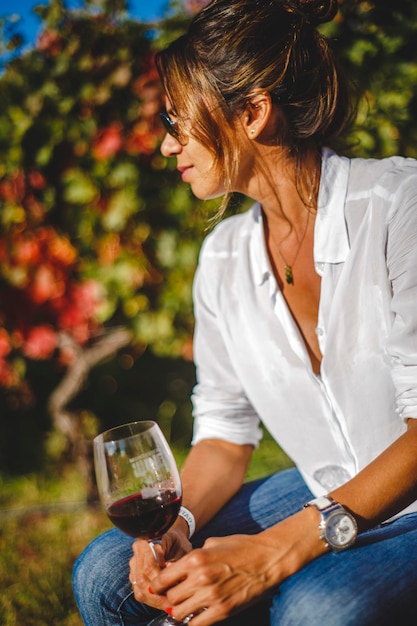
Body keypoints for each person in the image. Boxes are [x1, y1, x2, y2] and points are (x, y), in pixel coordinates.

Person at [72, 0, 417, 624]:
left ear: (252, 113)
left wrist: (278, 550)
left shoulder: (398, 207)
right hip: (325, 484)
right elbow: (227, 434)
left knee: (320, 608)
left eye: (179, 121)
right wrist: (179, 523)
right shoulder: (224, 258)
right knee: (104, 577)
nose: (166, 143)